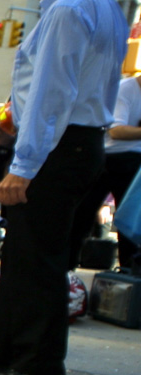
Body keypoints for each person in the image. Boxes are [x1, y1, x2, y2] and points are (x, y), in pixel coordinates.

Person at [0, 0, 128, 375]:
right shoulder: (106, 11)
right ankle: (9, 350)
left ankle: (36, 361)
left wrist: (24, 166)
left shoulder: (68, 9)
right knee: (27, 252)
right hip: (77, 143)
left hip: (58, 145)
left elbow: (51, 91)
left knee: (36, 256)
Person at [67, 74, 141, 269]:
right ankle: (68, 263)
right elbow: (116, 131)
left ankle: (129, 267)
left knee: (130, 219)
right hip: (110, 157)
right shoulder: (126, 89)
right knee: (83, 214)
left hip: (135, 161)